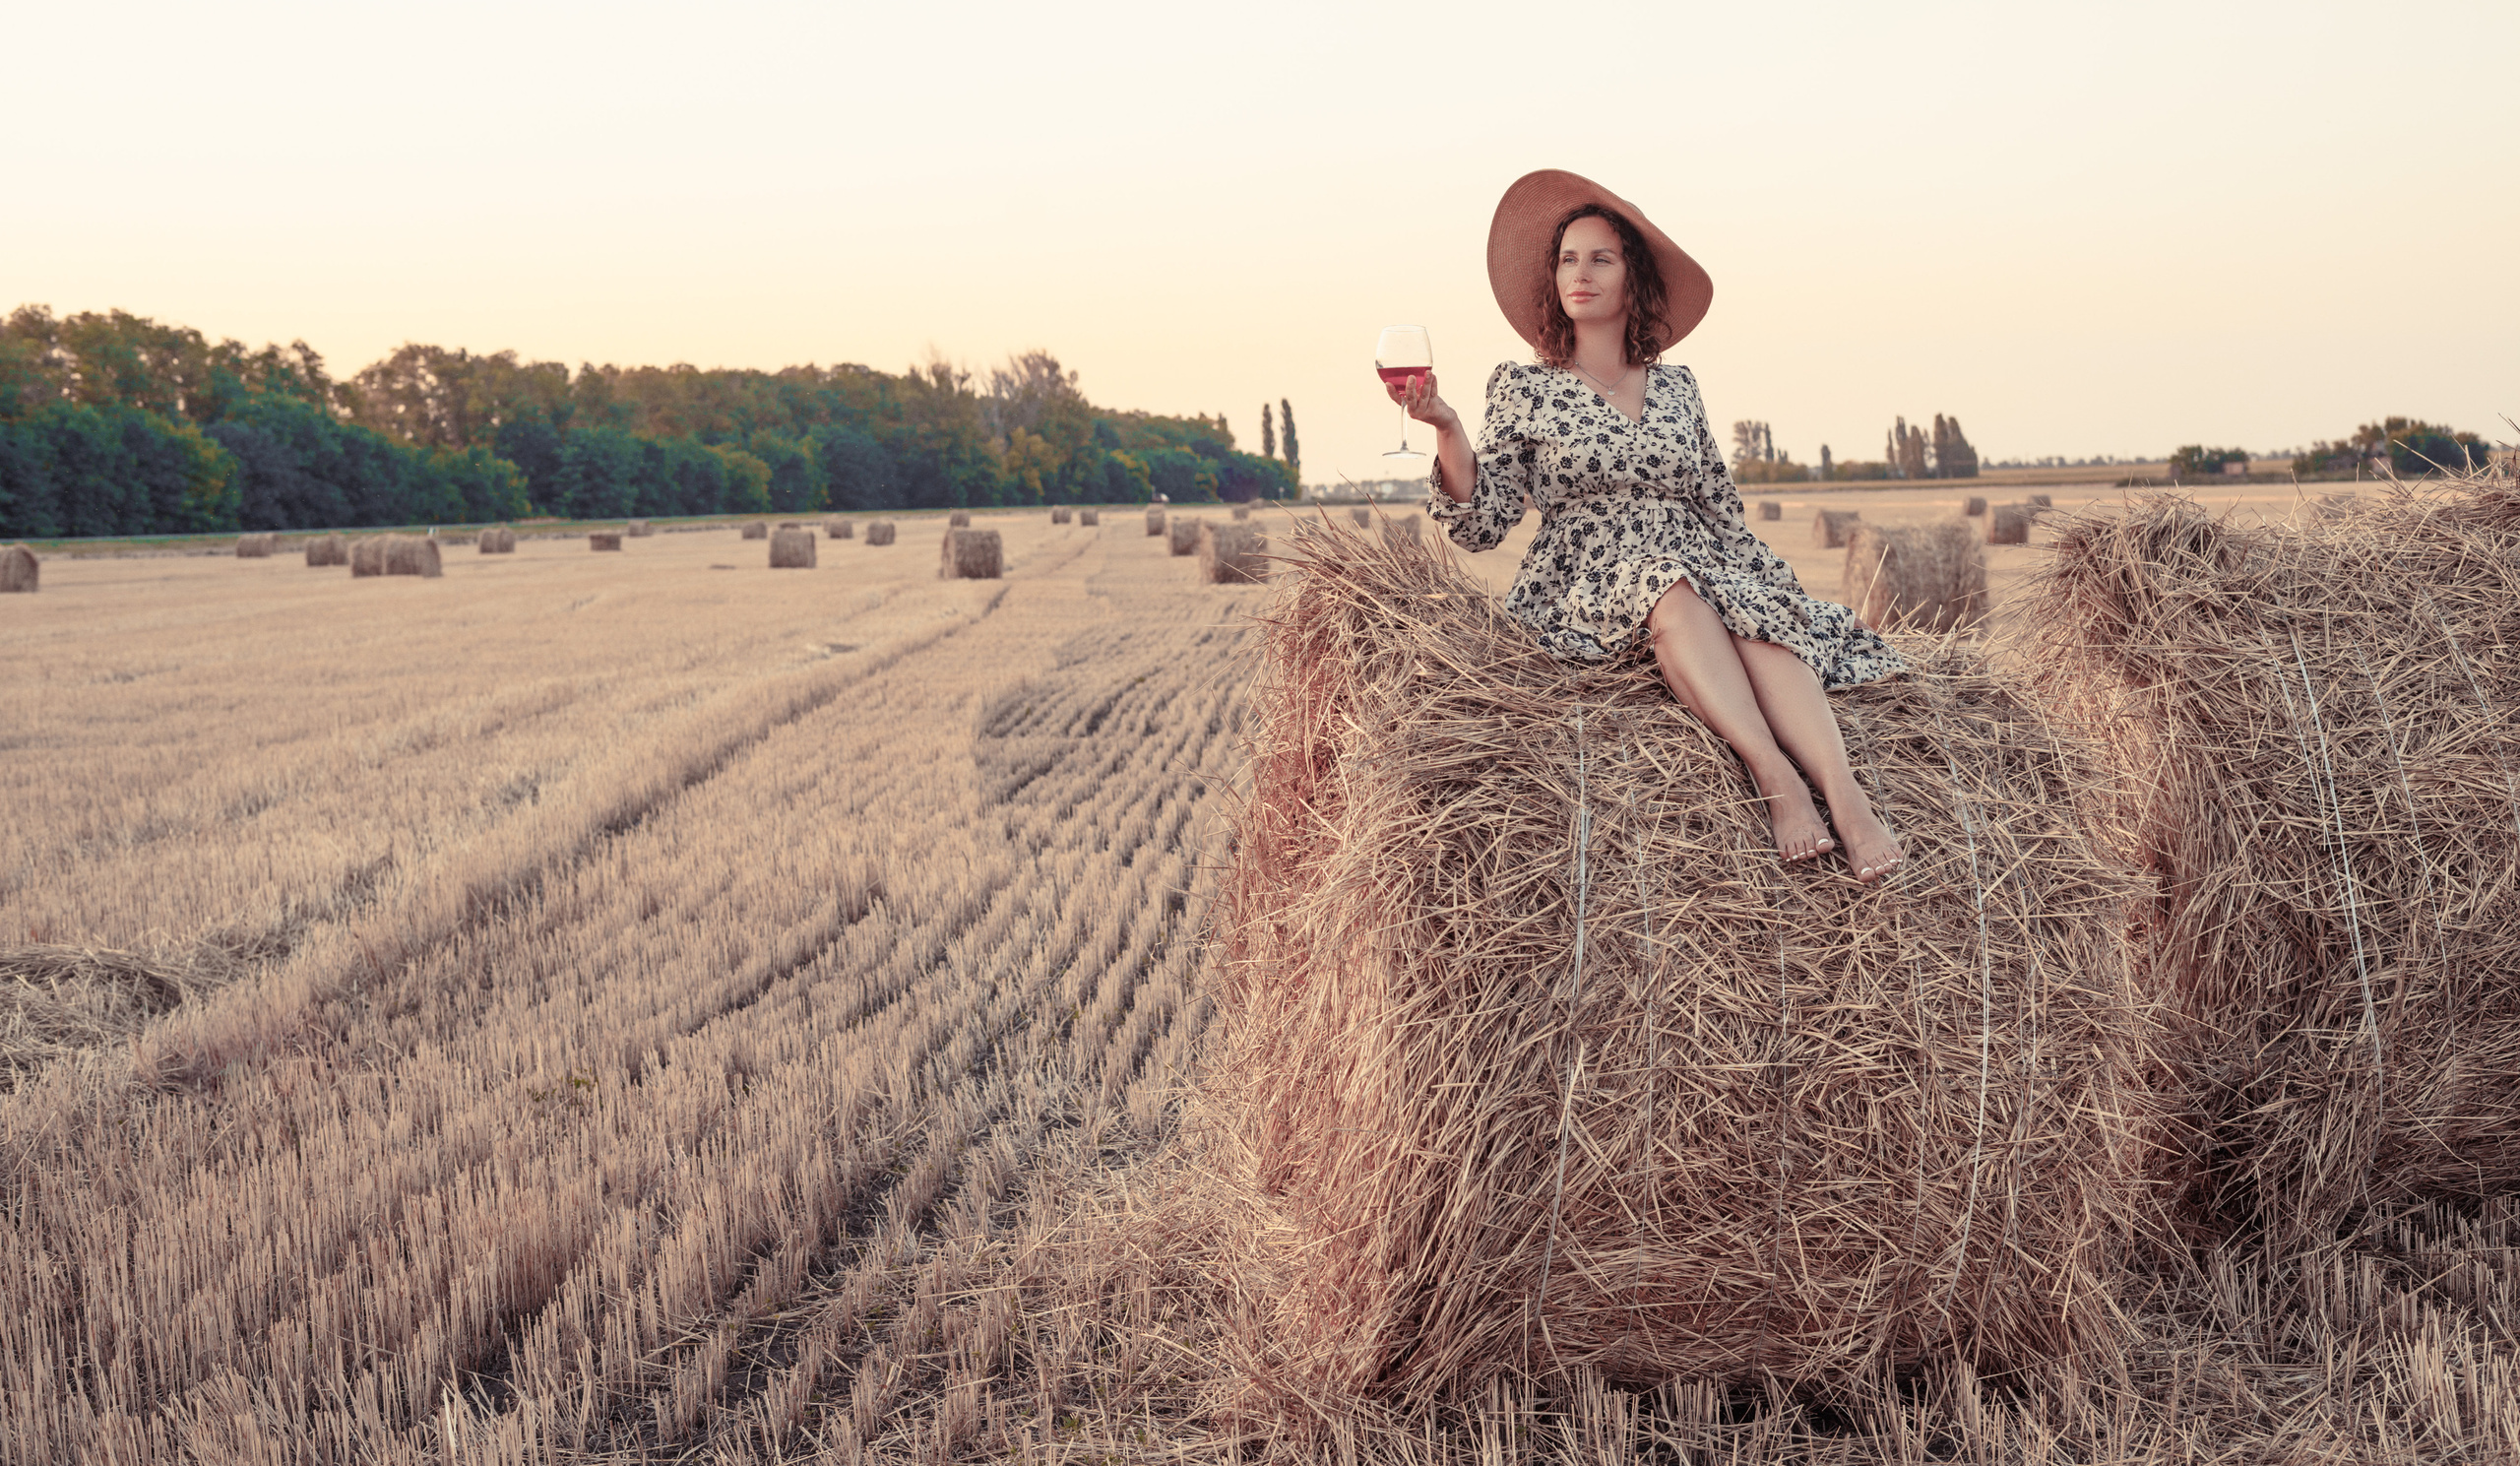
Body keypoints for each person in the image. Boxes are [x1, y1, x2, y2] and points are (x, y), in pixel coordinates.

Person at [1391, 170, 1906, 881]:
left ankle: (1846, 796)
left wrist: (1764, 590)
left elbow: (1718, 504)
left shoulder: (1678, 388)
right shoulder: (1523, 388)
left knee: (1757, 618)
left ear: (1634, 280)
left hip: (1694, 552)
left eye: (1602, 258)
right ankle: (1776, 777)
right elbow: (1484, 522)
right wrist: (1448, 428)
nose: (1582, 272)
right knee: (1675, 590)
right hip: (1588, 574)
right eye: (1569, 258)